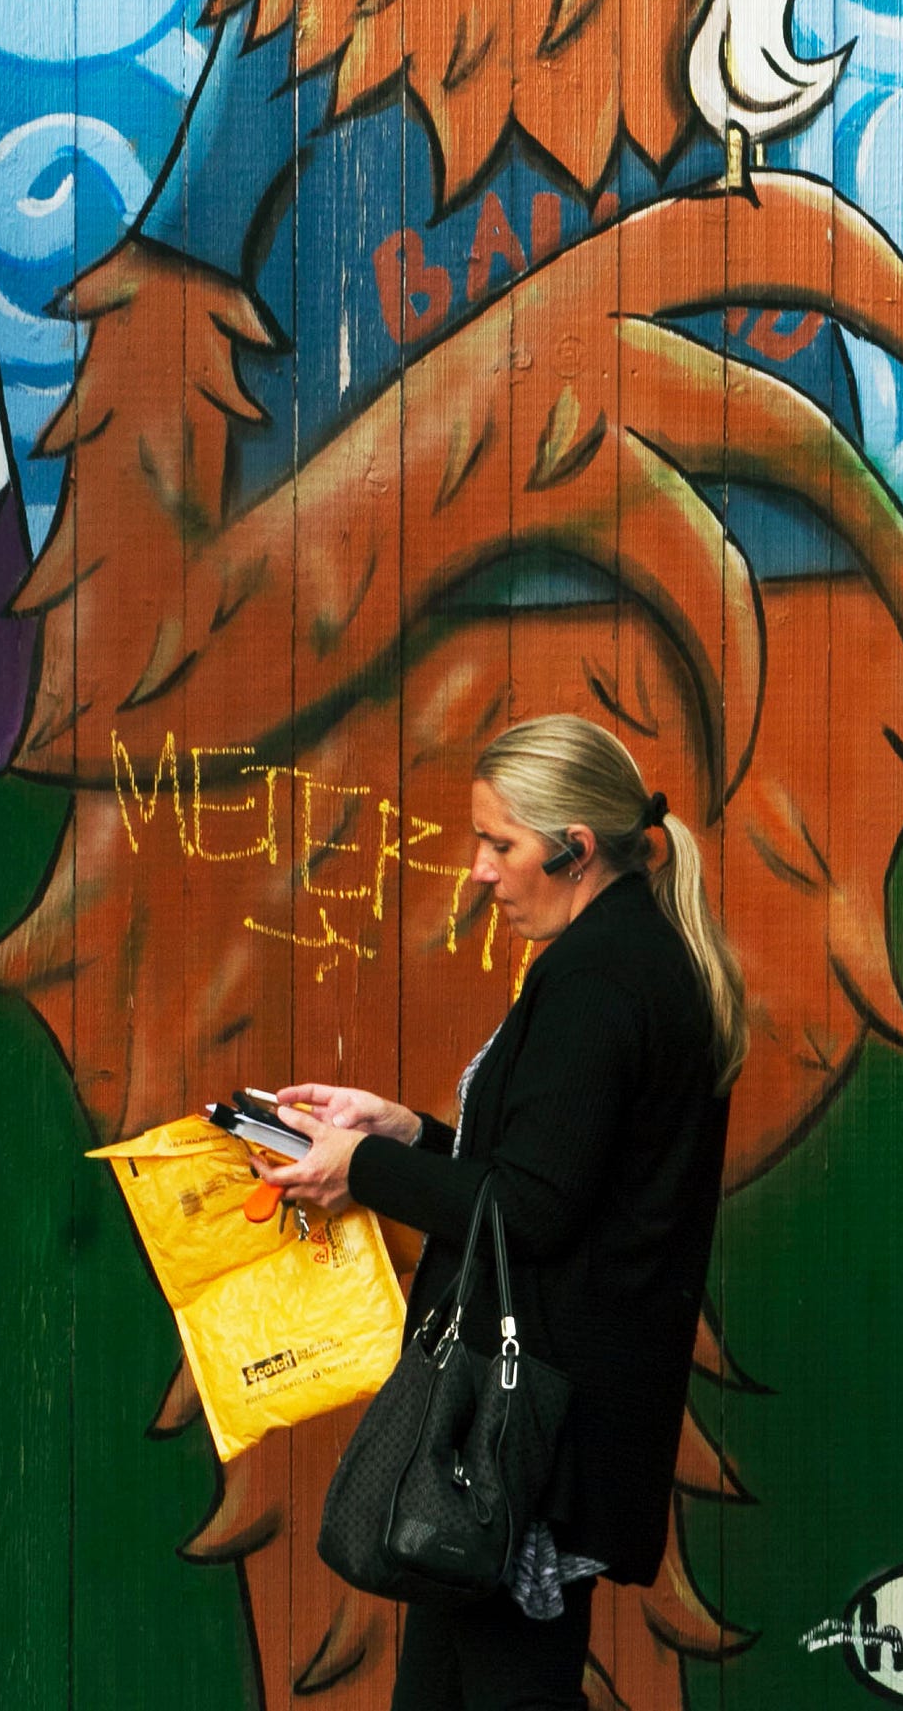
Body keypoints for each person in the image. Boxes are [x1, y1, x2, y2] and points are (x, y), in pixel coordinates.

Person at [253, 713, 749, 1711]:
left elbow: (530, 1209)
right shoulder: (625, 955)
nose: (479, 870)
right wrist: (407, 1132)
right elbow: (556, 1177)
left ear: (575, 848)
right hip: (526, 1429)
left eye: (500, 844)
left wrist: (364, 1167)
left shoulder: (597, 979)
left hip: (525, 1440)